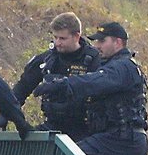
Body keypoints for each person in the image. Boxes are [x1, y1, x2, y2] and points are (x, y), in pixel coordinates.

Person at [33, 22, 148, 155]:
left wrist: (64, 85)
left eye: (102, 41)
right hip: (126, 141)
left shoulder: (123, 67)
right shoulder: (112, 66)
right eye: (96, 41)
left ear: (118, 42)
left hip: (120, 140)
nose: (97, 46)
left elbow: (97, 82)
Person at [11, 12, 101, 141]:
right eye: (55, 37)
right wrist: (8, 113)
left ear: (76, 36)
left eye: (62, 38)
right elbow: (23, 87)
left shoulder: (94, 60)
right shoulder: (47, 59)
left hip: (84, 130)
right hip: (52, 126)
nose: (58, 42)